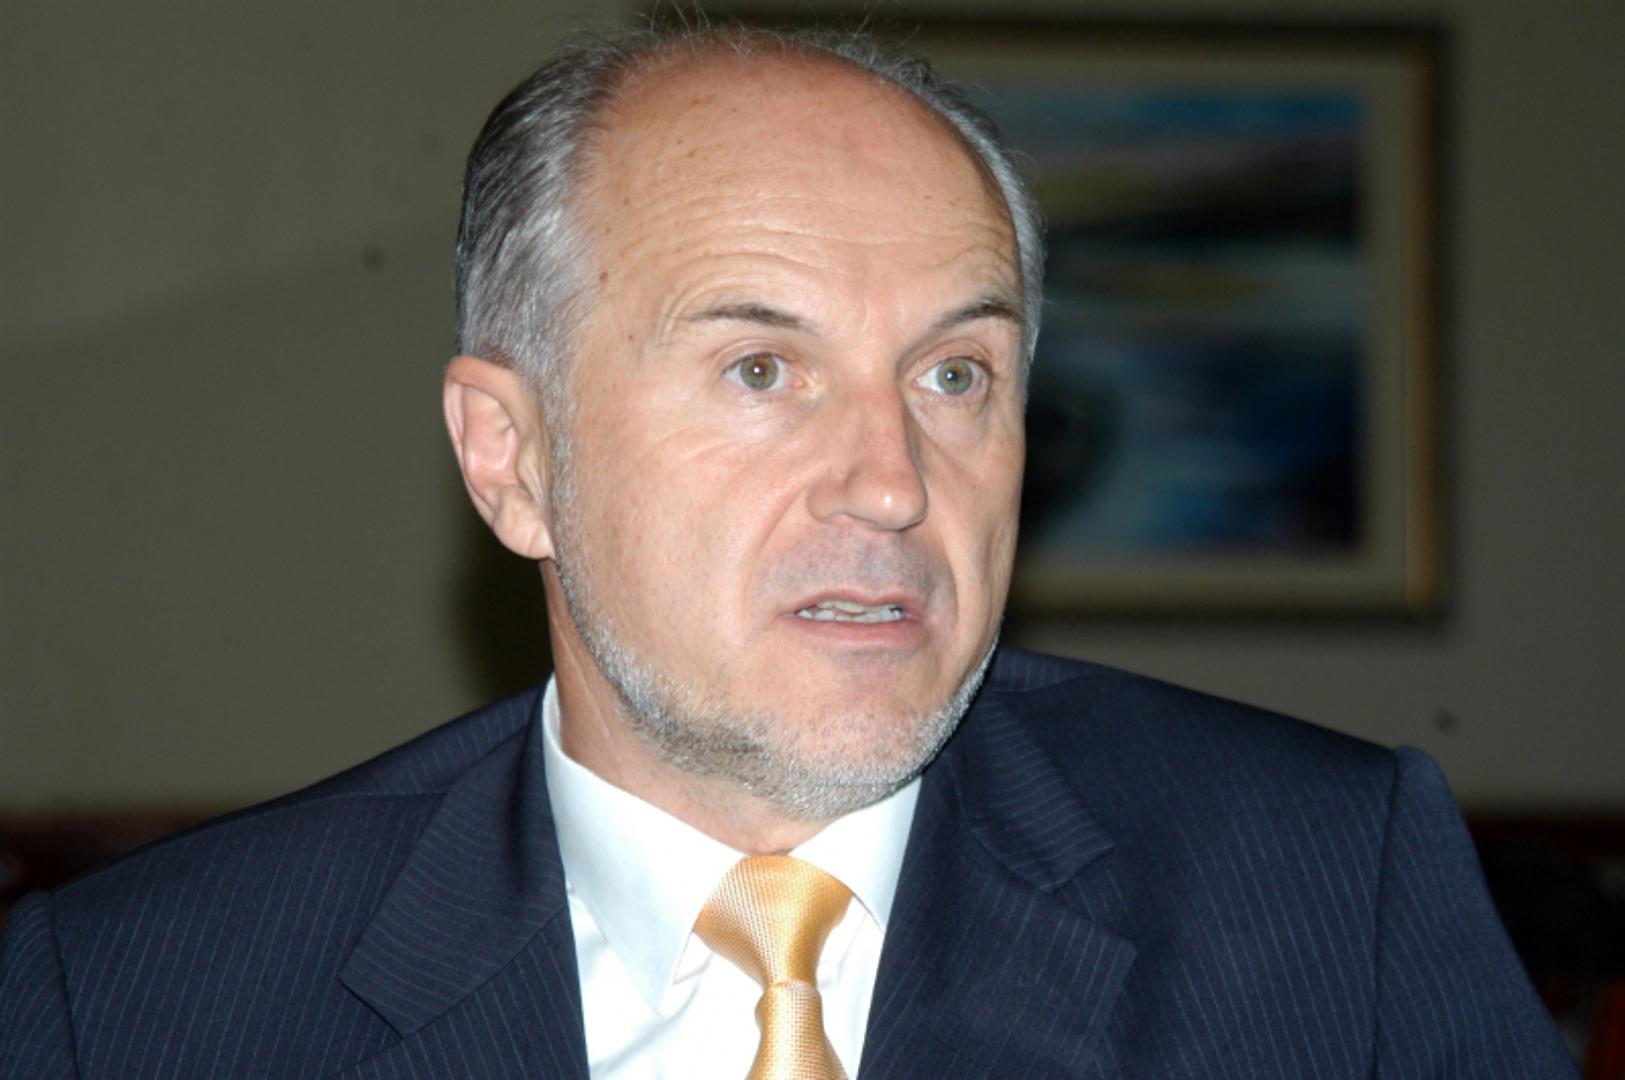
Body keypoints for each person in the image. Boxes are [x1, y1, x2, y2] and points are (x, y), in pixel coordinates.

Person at [0, 24, 1575, 1079]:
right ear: (512, 459)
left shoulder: (1326, 896)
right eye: (761, 369)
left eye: (953, 375)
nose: (891, 484)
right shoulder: (139, 1001)